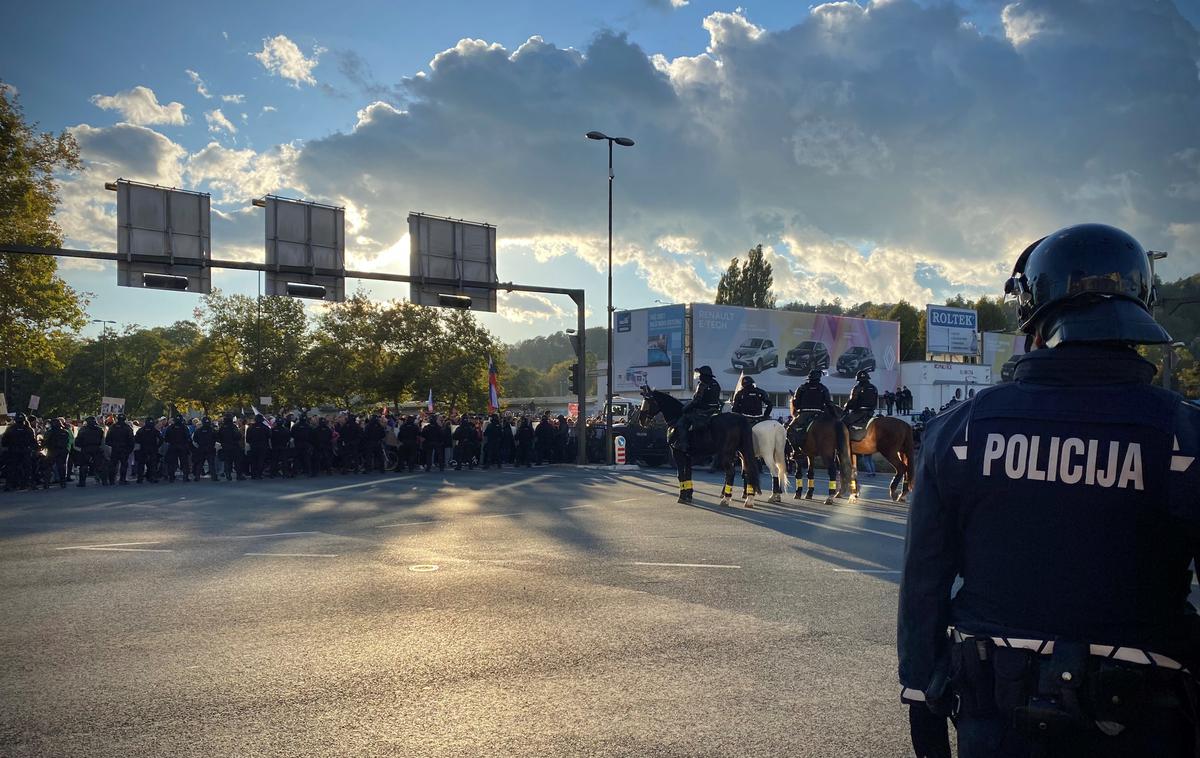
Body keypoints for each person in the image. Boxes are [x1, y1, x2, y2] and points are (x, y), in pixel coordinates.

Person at [899, 223, 1200, 758]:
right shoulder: (1185, 434)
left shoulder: (959, 431)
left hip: (996, 721)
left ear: (1033, 315)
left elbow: (924, 587)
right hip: (1146, 726)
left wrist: (922, 701)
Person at [674, 365, 723, 454]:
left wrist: (685, 408)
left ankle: (684, 445)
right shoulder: (716, 384)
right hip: (714, 410)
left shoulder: (702, 385)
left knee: (681, 423)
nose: (699, 376)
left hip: (702, 412)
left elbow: (696, 401)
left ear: (704, 375)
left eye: (700, 374)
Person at [1, 413, 37, 491]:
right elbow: (33, 441)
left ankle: (10, 485)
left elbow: (4, 441)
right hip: (25, 451)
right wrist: (34, 449)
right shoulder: (28, 429)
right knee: (27, 468)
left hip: (13, 451)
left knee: (12, 468)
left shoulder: (10, 429)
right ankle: (25, 484)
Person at [105, 414, 135, 485]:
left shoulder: (112, 427)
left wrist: (112, 445)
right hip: (124, 449)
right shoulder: (127, 428)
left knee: (113, 464)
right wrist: (129, 449)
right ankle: (122, 479)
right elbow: (131, 440)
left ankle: (111, 480)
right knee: (124, 464)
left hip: (115, 449)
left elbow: (107, 439)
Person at [42, 417, 70, 488]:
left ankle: (46, 483)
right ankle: (63, 483)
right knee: (61, 467)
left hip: (52, 451)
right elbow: (67, 442)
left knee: (48, 466)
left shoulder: (49, 432)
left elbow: (45, 441)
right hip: (62, 451)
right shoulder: (65, 432)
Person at [133, 416, 161, 483]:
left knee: (141, 464)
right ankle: (151, 477)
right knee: (152, 464)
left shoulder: (141, 430)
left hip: (143, 449)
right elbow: (161, 439)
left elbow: (136, 439)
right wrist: (157, 446)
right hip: (152, 449)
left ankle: (140, 478)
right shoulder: (155, 431)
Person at [245, 415, 271, 479]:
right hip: (263, 446)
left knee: (253, 460)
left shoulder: (250, 428)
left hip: (254, 446)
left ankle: (253, 475)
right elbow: (269, 436)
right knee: (261, 460)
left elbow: (247, 438)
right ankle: (259, 474)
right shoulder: (265, 427)